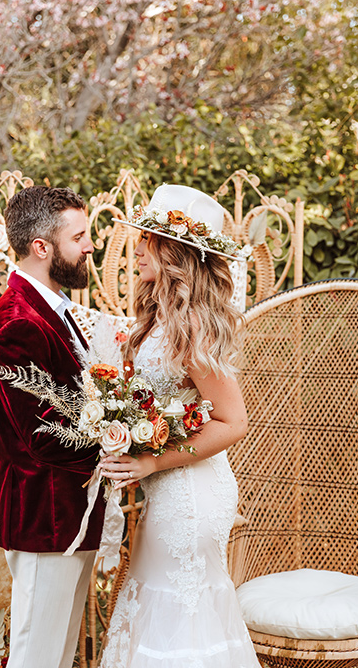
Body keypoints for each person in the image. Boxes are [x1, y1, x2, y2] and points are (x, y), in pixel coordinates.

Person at [99, 184, 261, 667]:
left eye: (148, 239)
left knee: (181, 612)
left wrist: (152, 460)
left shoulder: (192, 323)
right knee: (155, 602)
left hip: (192, 492)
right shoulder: (157, 319)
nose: (138, 249)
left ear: (173, 251)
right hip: (167, 488)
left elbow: (234, 422)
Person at [0, 185, 105, 668]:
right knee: (36, 658)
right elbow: (43, 436)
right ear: (41, 247)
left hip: (70, 517)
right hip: (44, 520)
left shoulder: (49, 309)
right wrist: (122, 443)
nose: (90, 245)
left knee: (56, 656)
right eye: (80, 236)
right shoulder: (17, 323)